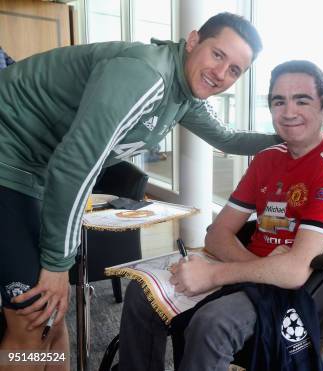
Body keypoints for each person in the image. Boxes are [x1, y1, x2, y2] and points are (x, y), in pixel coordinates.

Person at [0, 12, 282, 367]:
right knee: (31, 318)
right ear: (193, 41)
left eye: (235, 70)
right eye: (217, 55)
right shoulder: (146, 75)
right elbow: (75, 164)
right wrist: (57, 264)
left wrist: (290, 136)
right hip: (8, 160)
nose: (221, 73)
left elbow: (227, 138)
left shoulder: (184, 95)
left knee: (53, 316)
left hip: (35, 172)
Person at [118, 60, 323, 370]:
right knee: (141, 292)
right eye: (278, 101)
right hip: (252, 265)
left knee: (211, 323)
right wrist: (264, 266)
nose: (288, 112)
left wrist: (213, 275)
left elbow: (295, 272)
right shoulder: (267, 159)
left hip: (291, 292)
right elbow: (216, 234)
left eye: (302, 100)